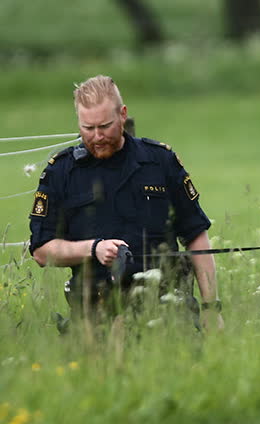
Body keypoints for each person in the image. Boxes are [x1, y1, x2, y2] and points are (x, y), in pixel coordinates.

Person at [28, 75, 223, 331]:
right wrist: (93, 248)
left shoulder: (159, 161)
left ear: (122, 115)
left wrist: (211, 308)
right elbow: (42, 251)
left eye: (105, 126)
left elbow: (195, 234)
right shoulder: (61, 172)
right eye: (87, 128)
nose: (97, 137)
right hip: (95, 314)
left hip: (167, 308)